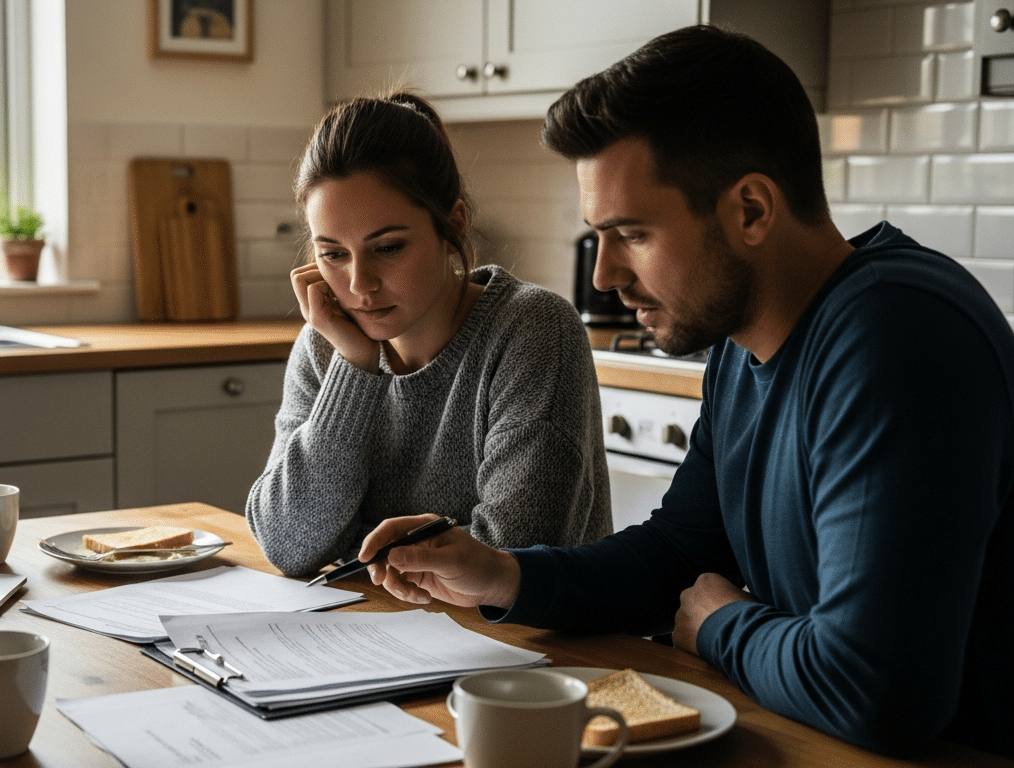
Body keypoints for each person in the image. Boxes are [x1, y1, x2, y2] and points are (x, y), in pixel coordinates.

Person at [359, 26, 1014, 760]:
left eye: (631, 234)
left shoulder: (896, 334)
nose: (604, 275)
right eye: (599, 236)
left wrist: (721, 625)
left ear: (751, 210)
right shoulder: (742, 343)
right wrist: (501, 574)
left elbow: (878, 688)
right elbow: (678, 553)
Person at [245, 91, 613, 578]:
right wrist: (353, 366)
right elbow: (287, 545)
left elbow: (515, 552)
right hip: (371, 621)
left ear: (453, 225)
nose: (359, 285)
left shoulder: (532, 329)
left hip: (519, 630)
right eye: (333, 254)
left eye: (388, 247)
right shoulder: (326, 344)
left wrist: (358, 548)